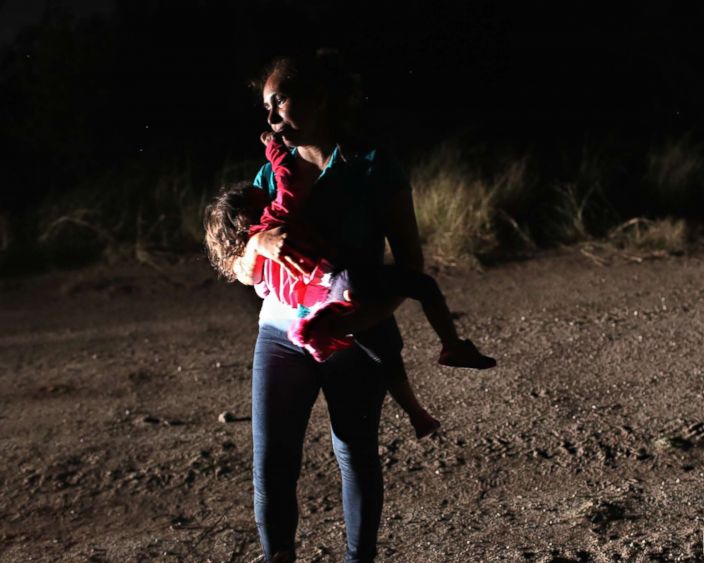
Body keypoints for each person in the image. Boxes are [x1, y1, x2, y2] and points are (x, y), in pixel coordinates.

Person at [206, 52, 488, 563]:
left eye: (279, 102)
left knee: (354, 452)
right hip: (279, 333)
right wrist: (258, 244)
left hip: (355, 327)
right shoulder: (270, 173)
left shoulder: (375, 167)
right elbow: (244, 271)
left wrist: (367, 316)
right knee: (272, 465)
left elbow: (410, 263)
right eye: (265, 109)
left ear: (317, 98)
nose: (271, 119)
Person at [204, 132, 496, 438]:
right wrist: (274, 151)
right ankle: (450, 346)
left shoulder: (262, 259)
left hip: (315, 299)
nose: (263, 190)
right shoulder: (275, 215)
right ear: (250, 215)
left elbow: (261, 285)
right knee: (420, 288)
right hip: (340, 278)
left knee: (378, 348)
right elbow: (287, 182)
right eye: (255, 195)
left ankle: (414, 408)